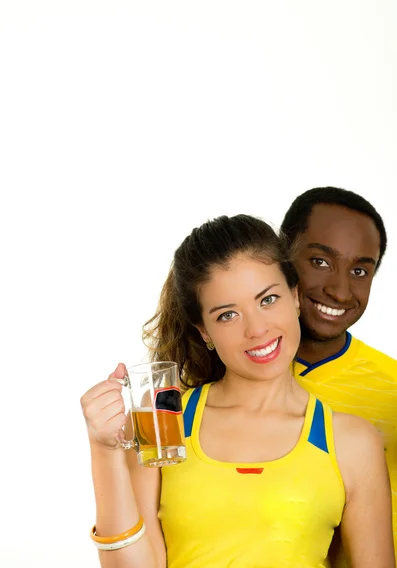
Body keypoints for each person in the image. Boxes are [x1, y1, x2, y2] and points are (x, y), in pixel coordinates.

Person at [80, 214, 394, 568]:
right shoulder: (165, 422)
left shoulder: (353, 442)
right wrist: (104, 450)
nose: (257, 329)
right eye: (228, 315)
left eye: (268, 300)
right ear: (204, 331)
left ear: (294, 297)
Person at [280, 186, 397, 563]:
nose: (340, 290)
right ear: (282, 254)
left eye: (360, 270)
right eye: (320, 262)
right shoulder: (209, 377)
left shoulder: (392, 387)